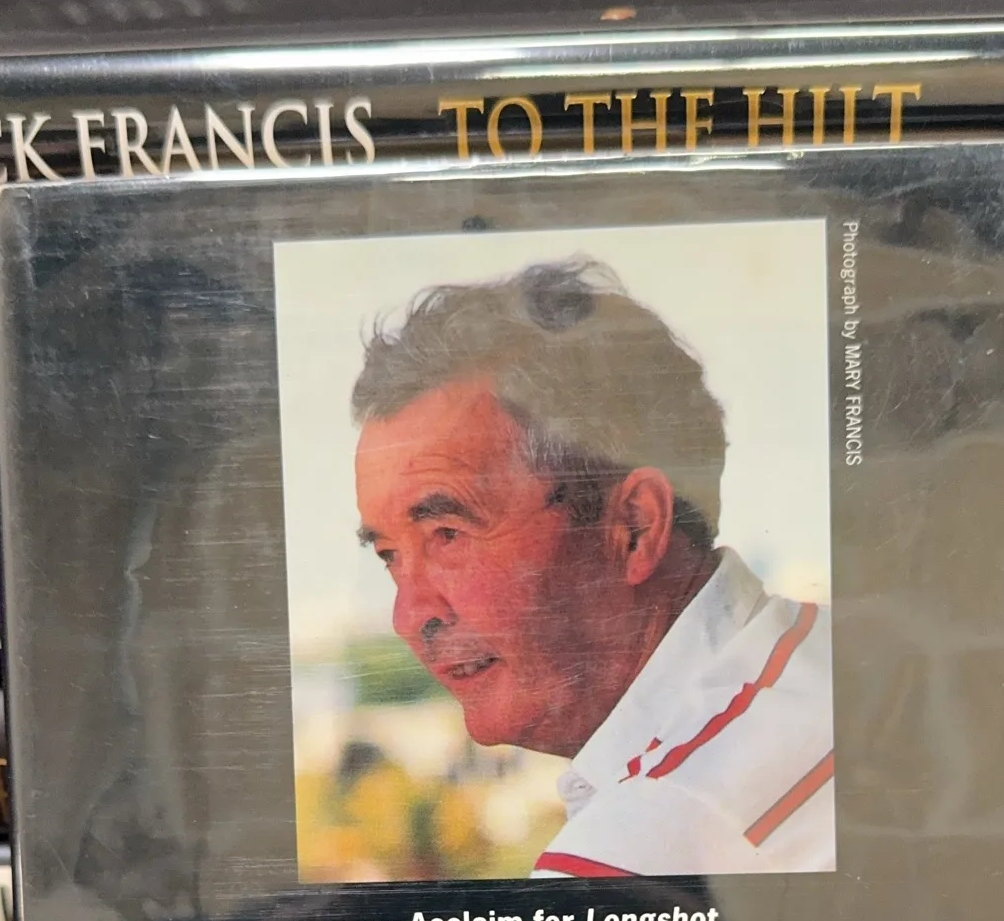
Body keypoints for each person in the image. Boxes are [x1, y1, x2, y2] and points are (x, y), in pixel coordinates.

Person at [352, 257, 834, 876]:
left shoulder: (640, 848)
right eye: (390, 556)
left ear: (634, 527)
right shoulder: (843, 659)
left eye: (448, 535)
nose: (410, 615)